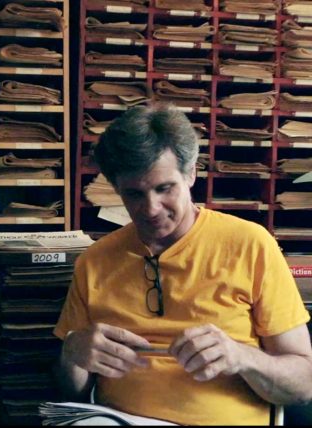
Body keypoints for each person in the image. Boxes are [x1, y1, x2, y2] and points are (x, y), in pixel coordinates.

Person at [54, 104, 312, 425]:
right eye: (134, 194)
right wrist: (73, 355)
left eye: (164, 188)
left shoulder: (251, 245)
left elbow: (304, 385)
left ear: (191, 174)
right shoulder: (94, 261)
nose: (151, 209)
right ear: (115, 188)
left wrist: (242, 357)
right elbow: (72, 391)